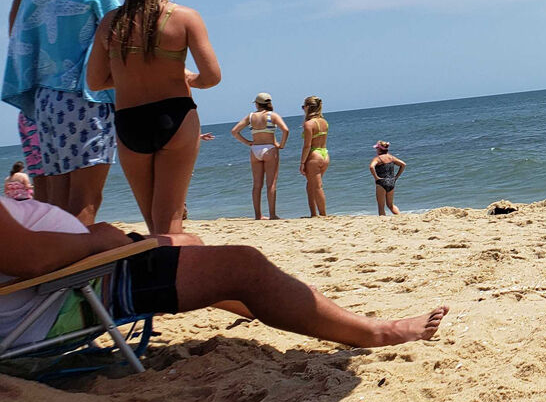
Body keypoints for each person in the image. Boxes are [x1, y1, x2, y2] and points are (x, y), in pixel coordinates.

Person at [0, 195, 446, 352]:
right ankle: (375, 332)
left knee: (190, 245)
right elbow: (29, 259)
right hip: (62, 294)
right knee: (243, 265)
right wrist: (95, 239)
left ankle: (280, 306)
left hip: (58, 284)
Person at [85, 0, 220, 236]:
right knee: (171, 219)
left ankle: (160, 275)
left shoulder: (110, 22)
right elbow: (211, 77)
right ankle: (178, 276)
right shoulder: (185, 17)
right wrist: (187, 77)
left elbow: (95, 81)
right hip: (175, 115)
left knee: (152, 222)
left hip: (129, 122)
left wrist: (126, 76)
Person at [3, 0, 121, 224]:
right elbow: (117, 42)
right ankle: (80, 276)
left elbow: (23, 48)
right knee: (86, 200)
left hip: (45, 102)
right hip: (85, 99)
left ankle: (55, 270)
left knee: (55, 205)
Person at [4, 0, 51, 206]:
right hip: (59, 98)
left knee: (43, 191)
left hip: (30, 104)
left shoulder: (18, 2)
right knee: (70, 186)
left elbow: (18, 53)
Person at [233, 93, 289, 220]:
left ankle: (258, 215)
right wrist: (281, 145)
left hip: (255, 150)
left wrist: (247, 142)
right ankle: (272, 214)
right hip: (270, 149)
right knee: (271, 184)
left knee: (257, 184)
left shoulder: (251, 116)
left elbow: (234, 131)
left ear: (257, 104)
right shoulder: (272, 115)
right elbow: (285, 130)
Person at [299, 96, 330, 217]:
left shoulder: (309, 124)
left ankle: (322, 214)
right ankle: (313, 213)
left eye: (303, 107)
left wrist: (302, 163)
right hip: (324, 153)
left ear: (308, 108)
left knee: (317, 186)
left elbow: (307, 146)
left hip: (314, 155)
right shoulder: (324, 122)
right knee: (311, 185)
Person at [369, 140, 405, 215]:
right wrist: (396, 176)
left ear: (379, 149)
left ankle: (383, 221)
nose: (376, 150)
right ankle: (400, 216)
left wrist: (376, 177)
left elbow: (371, 167)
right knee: (390, 205)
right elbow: (403, 164)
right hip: (391, 182)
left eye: (377, 148)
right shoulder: (391, 157)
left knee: (381, 207)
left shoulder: (377, 158)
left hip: (381, 182)